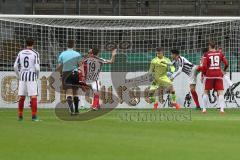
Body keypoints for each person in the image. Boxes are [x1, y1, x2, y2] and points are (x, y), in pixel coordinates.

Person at [198, 41, 229, 113]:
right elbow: (226, 64)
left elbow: (204, 66)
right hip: (218, 74)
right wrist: (223, 71)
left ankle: (204, 109)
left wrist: (203, 74)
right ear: (215, 46)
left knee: (206, 92)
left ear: (209, 46)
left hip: (209, 75)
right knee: (220, 92)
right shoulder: (220, 54)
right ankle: (222, 109)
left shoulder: (206, 54)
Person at [13, 38, 40, 121]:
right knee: (33, 96)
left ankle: (20, 116)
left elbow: (15, 66)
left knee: (22, 97)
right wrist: (37, 76)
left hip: (22, 76)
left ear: (26, 44)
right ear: (33, 44)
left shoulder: (20, 53)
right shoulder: (35, 53)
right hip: (31, 77)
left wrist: (19, 75)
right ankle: (34, 117)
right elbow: (37, 68)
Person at [57, 40, 82, 115]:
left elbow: (59, 66)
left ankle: (71, 110)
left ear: (66, 45)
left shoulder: (62, 54)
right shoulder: (77, 54)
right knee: (75, 92)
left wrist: (61, 74)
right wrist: (81, 75)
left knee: (68, 92)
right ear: (73, 45)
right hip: (75, 73)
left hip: (66, 73)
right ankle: (77, 110)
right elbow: (80, 65)